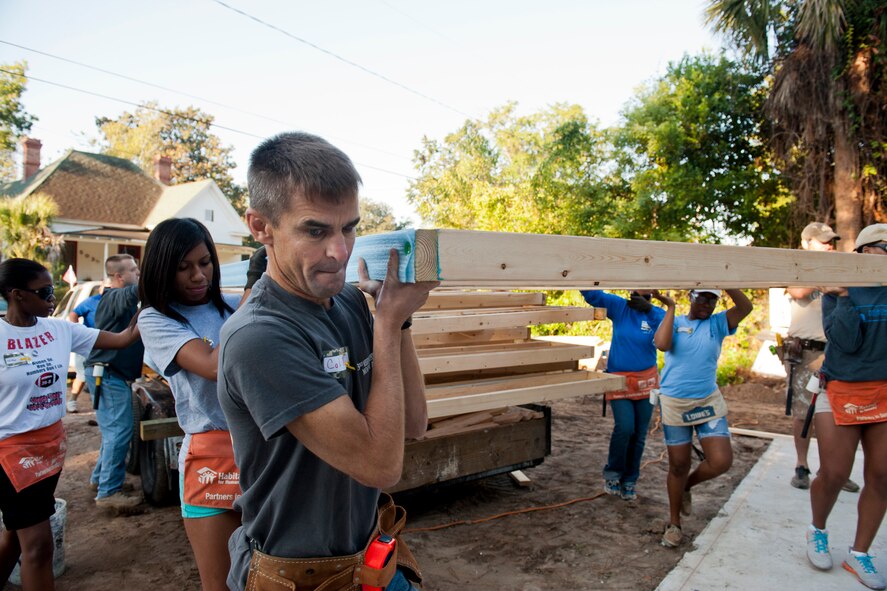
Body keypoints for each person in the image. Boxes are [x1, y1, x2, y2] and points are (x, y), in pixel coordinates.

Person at [218, 132, 435, 591]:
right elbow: (380, 466)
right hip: (298, 577)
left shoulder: (353, 306)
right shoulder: (259, 337)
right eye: (315, 230)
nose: (339, 252)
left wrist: (399, 322)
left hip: (371, 560)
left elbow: (414, 422)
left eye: (349, 228)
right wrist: (387, 322)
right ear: (261, 228)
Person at [0, 258, 140, 590]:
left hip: (50, 446)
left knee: (16, 534)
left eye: (53, 289)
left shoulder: (59, 330)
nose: (53, 298)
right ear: (17, 295)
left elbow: (122, 339)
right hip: (11, 452)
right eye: (45, 291)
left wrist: (148, 309)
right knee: (38, 546)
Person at [137, 218, 243, 591]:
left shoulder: (231, 305)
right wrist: (258, 295)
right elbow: (215, 366)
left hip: (262, 448)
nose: (198, 276)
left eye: (205, 262)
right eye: (183, 268)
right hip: (212, 457)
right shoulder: (155, 319)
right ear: (161, 270)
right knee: (221, 583)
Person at [805, 223, 887, 590]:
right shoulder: (839, 289)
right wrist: (845, 297)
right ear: (865, 253)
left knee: (883, 475)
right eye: (884, 247)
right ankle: (817, 529)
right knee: (835, 473)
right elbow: (847, 342)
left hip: (883, 390)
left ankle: (860, 553)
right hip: (841, 388)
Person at [653, 288, 753, 547]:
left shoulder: (718, 323)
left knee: (720, 461)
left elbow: (745, 308)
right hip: (675, 401)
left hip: (707, 400)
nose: (708, 303)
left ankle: (686, 485)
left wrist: (727, 281)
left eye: (713, 299)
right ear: (691, 297)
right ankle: (674, 524)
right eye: (703, 297)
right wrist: (671, 308)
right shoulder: (675, 322)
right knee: (678, 464)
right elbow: (662, 344)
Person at [783, 222, 858, 492]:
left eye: (831, 241)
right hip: (805, 351)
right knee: (804, 412)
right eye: (823, 241)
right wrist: (827, 275)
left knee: (839, 412)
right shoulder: (798, 268)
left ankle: (835, 470)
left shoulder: (838, 269)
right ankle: (801, 465)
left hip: (836, 350)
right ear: (806, 244)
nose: (829, 245)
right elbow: (798, 291)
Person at [580, 289, 669, 501]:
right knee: (625, 427)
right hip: (619, 380)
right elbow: (594, 295)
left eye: (645, 293)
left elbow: (669, 334)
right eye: (636, 291)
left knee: (639, 434)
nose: (639, 295)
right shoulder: (621, 307)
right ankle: (613, 473)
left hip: (646, 382)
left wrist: (650, 309)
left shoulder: (657, 314)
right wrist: (580, 274)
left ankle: (630, 479)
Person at [84, 254, 144, 512]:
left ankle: (101, 480)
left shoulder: (115, 300)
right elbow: (136, 293)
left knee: (113, 432)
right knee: (120, 431)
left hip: (108, 373)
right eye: (133, 270)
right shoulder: (114, 297)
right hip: (108, 374)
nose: (138, 272)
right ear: (119, 277)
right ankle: (108, 493)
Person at [66, 290, 102, 412]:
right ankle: (72, 400)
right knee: (82, 375)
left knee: (100, 377)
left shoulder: (117, 300)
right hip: (87, 343)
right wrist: (78, 331)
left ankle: (98, 408)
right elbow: (74, 313)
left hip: (104, 344)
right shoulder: (92, 301)